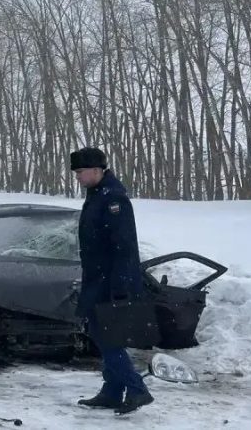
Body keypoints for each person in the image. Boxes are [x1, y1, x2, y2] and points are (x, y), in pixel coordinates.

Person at [71, 147, 153, 415]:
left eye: (81, 172)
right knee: (102, 335)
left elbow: (125, 246)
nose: (78, 178)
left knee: (108, 338)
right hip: (97, 279)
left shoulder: (113, 198)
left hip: (109, 282)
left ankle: (137, 388)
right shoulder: (98, 195)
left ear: (97, 170)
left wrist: (121, 287)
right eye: (76, 173)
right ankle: (112, 391)